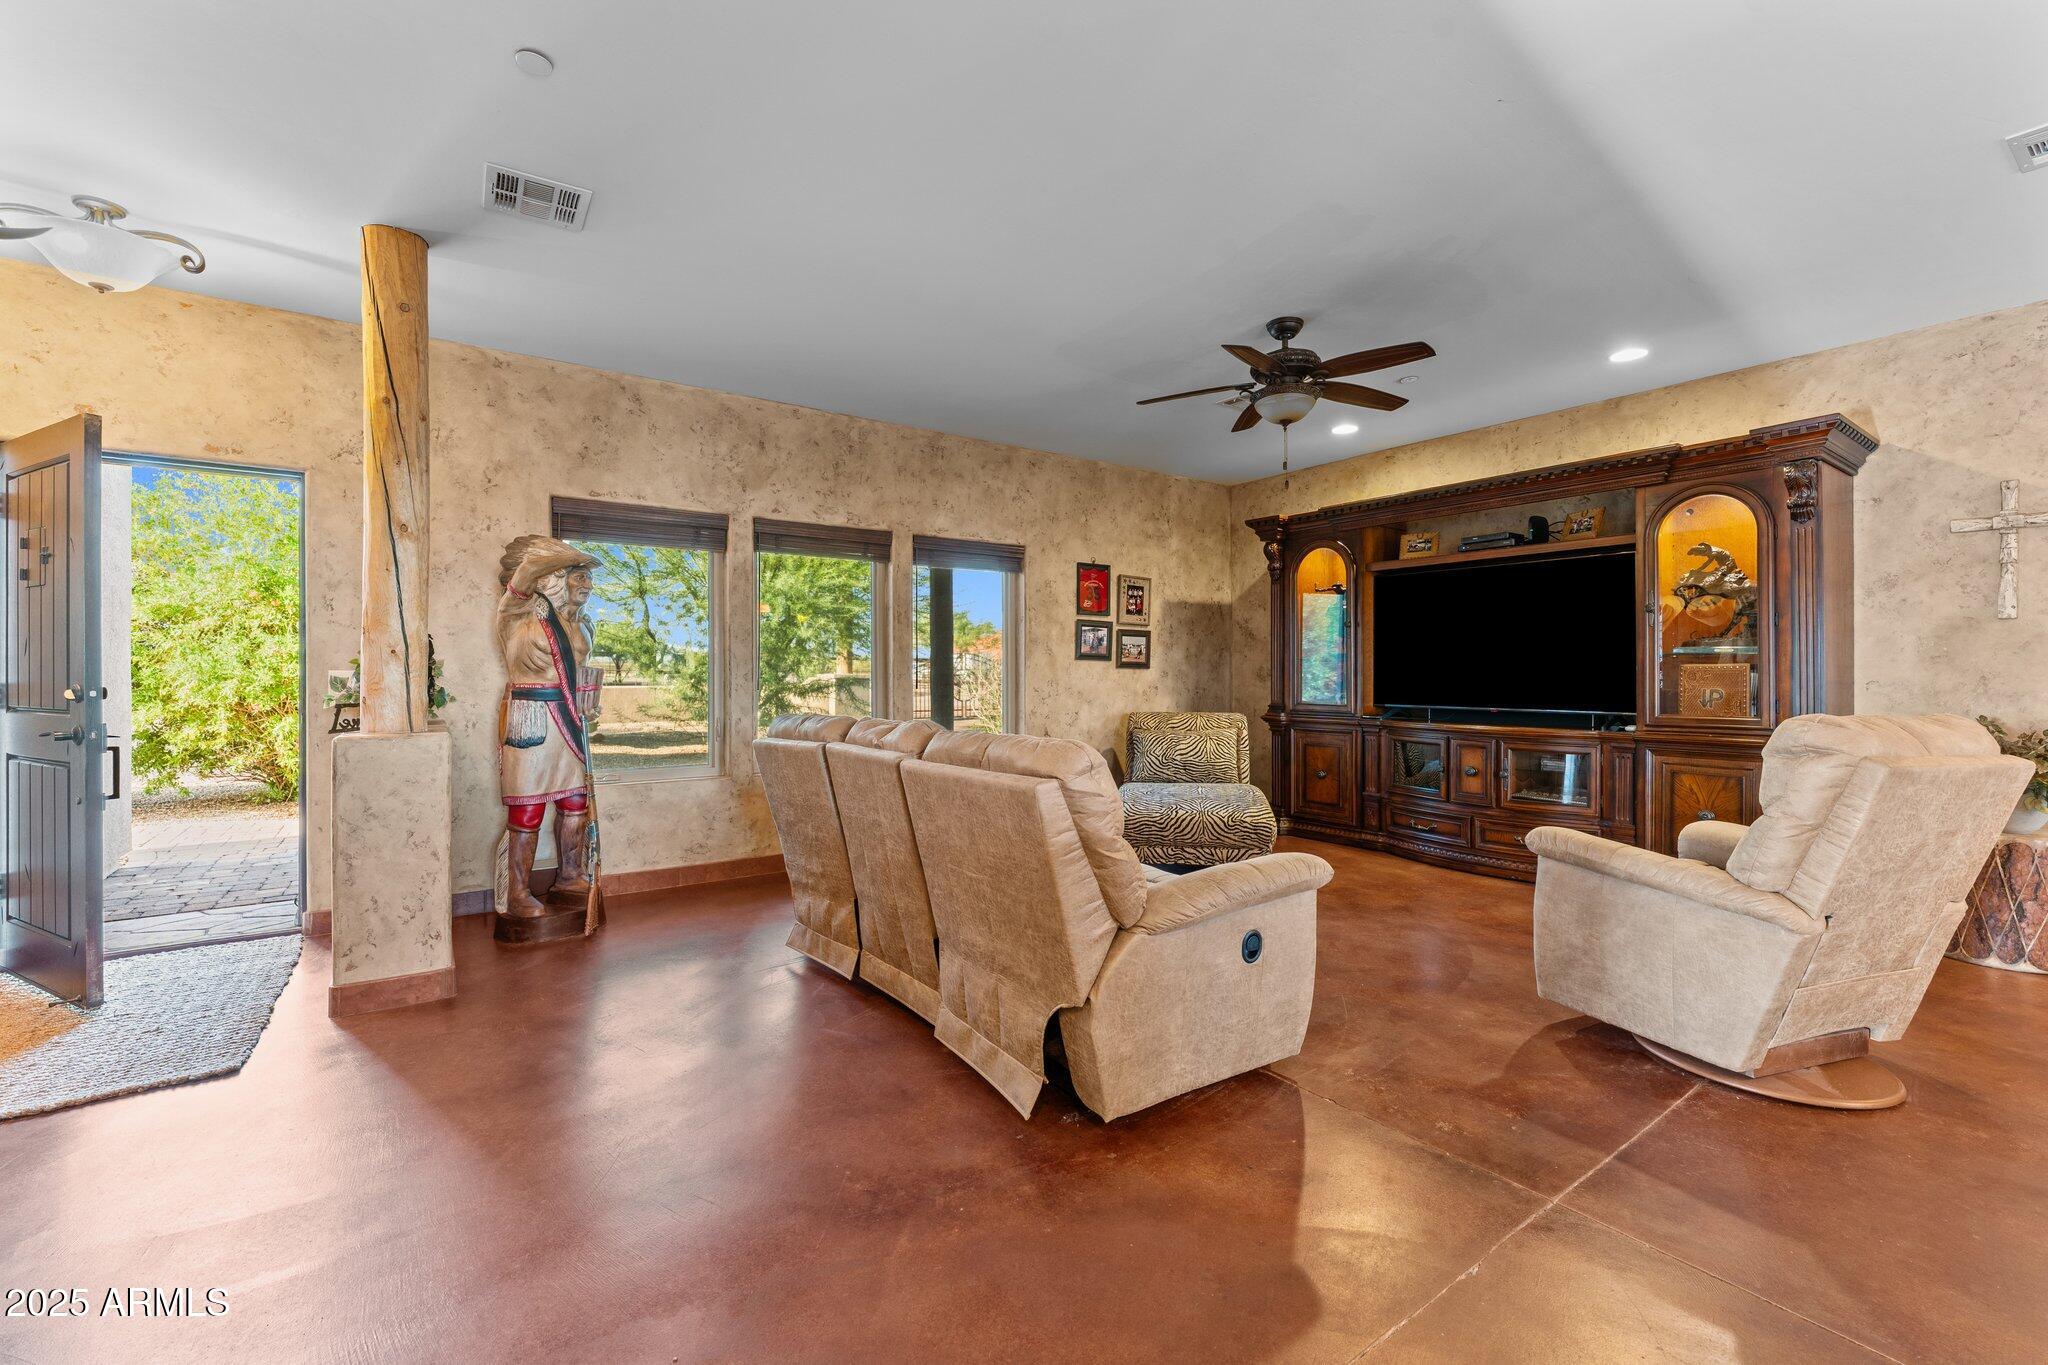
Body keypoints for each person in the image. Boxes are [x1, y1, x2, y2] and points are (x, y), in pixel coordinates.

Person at [494, 536, 601, 917]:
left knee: (575, 803)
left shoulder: (582, 625)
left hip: (569, 719)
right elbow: (524, 577)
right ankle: (518, 891)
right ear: (553, 576)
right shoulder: (517, 614)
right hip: (533, 717)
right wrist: (565, 553)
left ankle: (570, 875)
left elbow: (579, 674)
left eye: (589, 578)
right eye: (578, 576)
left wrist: (589, 700)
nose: (586, 585)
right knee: (528, 807)